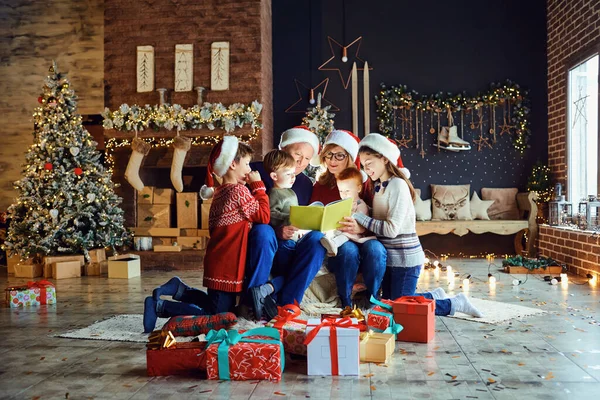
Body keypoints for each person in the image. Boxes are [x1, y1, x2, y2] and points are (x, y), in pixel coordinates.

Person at [342, 133, 482, 317]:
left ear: (384, 158)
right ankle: (433, 295)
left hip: (405, 260)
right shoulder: (380, 187)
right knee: (388, 305)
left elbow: (391, 230)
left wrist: (359, 217)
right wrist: (360, 207)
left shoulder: (397, 185)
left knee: (401, 310)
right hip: (391, 259)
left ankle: (454, 303)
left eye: (369, 163)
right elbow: (379, 217)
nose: (366, 169)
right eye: (363, 165)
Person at [244, 126, 326, 317]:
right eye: (298, 154)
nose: (301, 162)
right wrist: (277, 230)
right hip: (263, 242)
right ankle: (256, 300)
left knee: (318, 239)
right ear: (283, 149)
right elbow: (245, 213)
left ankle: (288, 303)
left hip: (291, 244)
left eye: (307, 159)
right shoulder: (255, 171)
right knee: (264, 231)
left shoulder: (306, 183)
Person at [310, 129, 387, 309]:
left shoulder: (365, 181)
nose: (332, 160)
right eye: (328, 154)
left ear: (350, 157)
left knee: (375, 249)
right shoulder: (320, 184)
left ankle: (373, 300)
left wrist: (361, 228)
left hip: (367, 235)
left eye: (339, 155)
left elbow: (377, 215)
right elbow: (314, 214)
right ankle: (345, 302)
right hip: (337, 238)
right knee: (348, 251)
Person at [199, 135, 271, 314]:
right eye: (247, 164)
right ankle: (163, 307)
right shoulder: (238, 191)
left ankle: (179, 290)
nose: (249, 169)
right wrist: (259, 187)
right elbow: (263, 216)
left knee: (217, 308)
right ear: (232, 164)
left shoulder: (220, 192)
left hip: (220, 266)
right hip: (225, 271)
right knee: (219, 317)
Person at [319, 167, 375, 256]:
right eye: (341, 191)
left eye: (347, 191)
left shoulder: (360, 204)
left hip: (353, 232)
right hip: (340, 228)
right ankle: (329, 243)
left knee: (344, 235)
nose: (344, 194)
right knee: (331, 232)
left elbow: (360, 219)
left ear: (358, 188)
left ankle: (334, 244)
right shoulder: (342, 203)